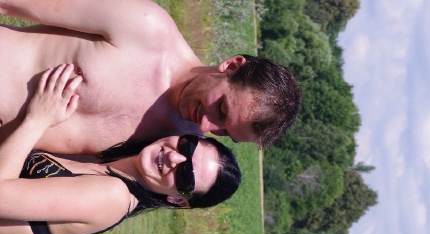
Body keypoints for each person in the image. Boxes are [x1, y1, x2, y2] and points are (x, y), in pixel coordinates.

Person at [0, 0, 301, 154]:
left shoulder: (170, 149)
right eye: (221, 109)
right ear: (232, 66)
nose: (206, 126)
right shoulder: (146, 29)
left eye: (224, 132)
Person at [0, 64, 241, 234]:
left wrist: (37, 119)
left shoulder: (113, 196)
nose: (174, 158)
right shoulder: (108, 164)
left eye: (185, 175)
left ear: (178, 200)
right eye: (187, 147)